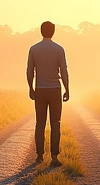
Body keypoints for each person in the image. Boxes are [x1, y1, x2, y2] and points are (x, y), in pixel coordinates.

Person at [26, 20, 69, 166]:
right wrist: (67, 89)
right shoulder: (59, 49)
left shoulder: (34, 49)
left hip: (40, 89)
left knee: (40, 123)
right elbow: (64, 71)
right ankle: (54, 157)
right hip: (55, 89)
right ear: (53, 31)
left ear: (41, 31)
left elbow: (30, 70)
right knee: (55, 123)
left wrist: (30, 88)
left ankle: (39, 156)